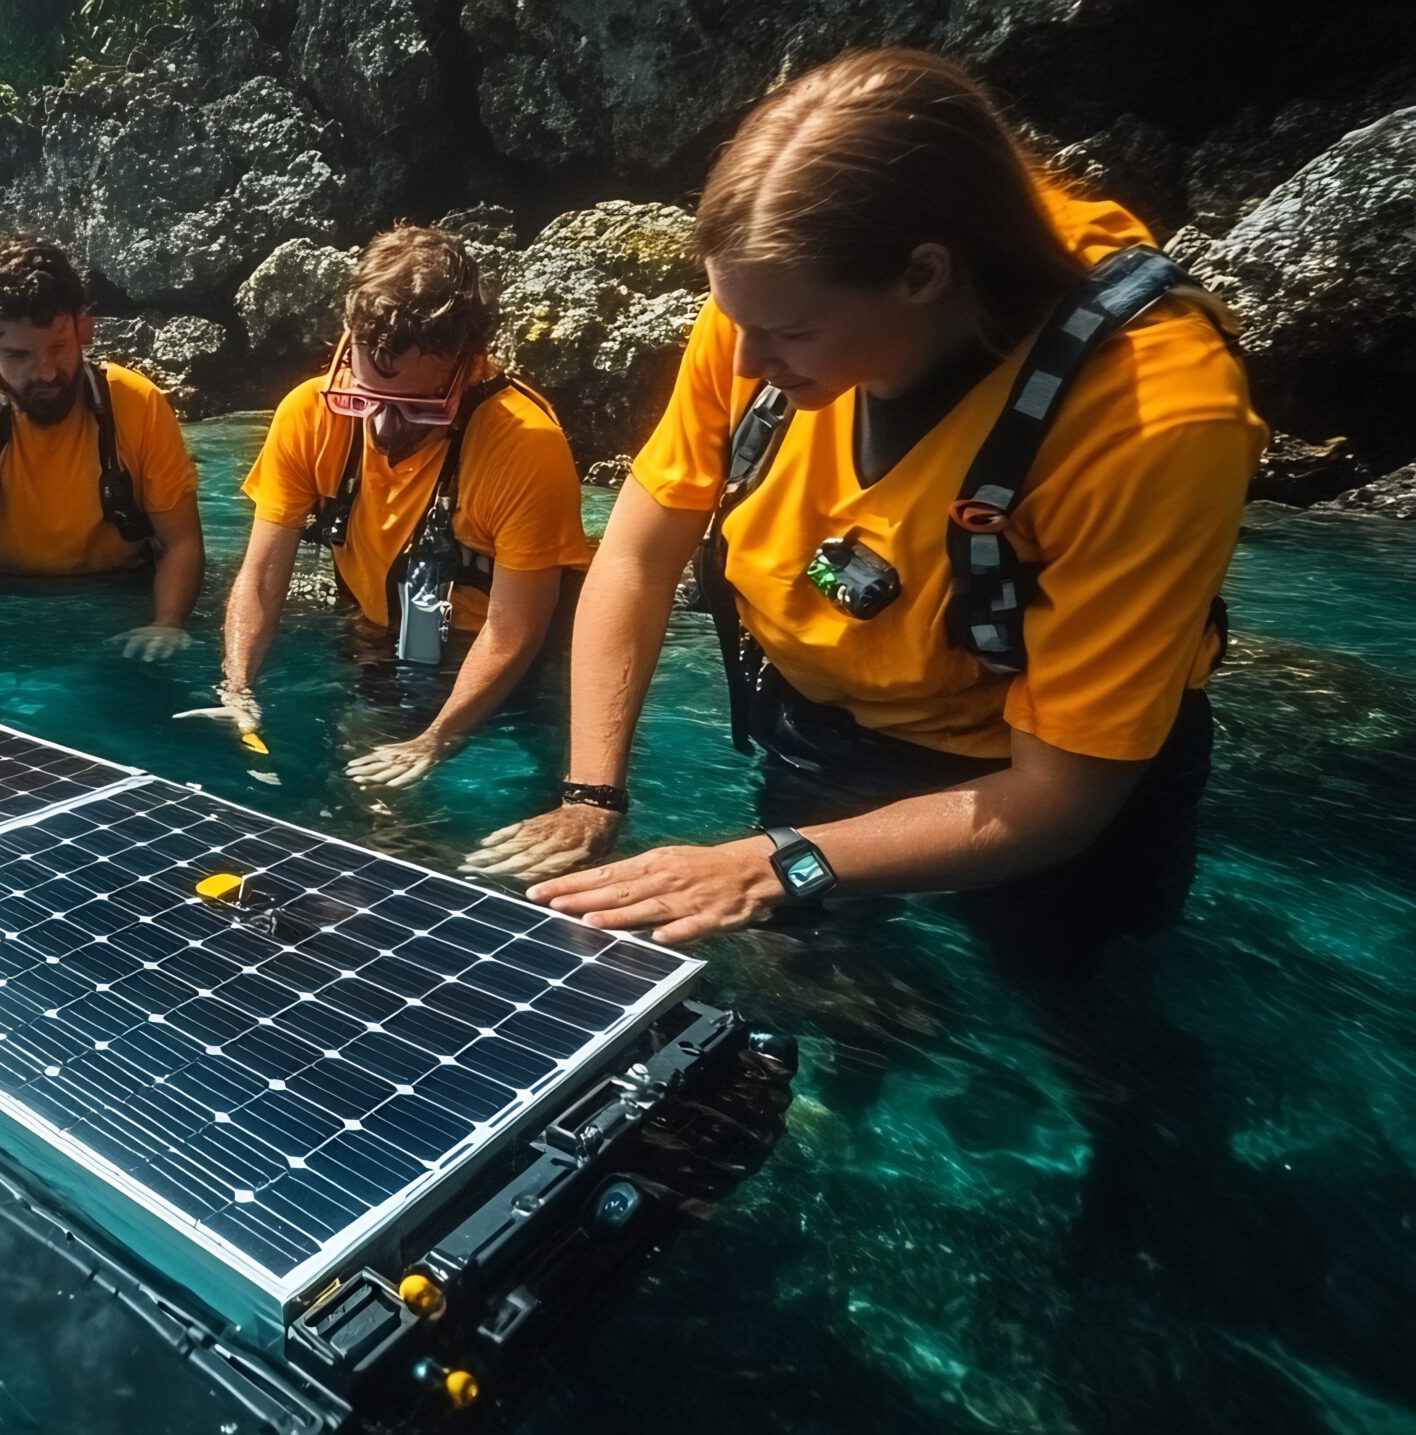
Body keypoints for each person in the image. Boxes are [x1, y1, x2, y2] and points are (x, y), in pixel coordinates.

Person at [465, 49, 1266, 952]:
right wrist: (592, 791)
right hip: (826, 731)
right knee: (819, 984)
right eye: (737, 321)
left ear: (923, 275)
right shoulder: (771, 290)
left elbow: (1062, 799)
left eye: (788, 334)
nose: (744, 366)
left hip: (1034, 781)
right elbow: (639, 556)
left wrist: (767, 863)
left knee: (1069, 1030)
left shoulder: (1154, 421)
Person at [186, 224, 591, 787]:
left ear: (471, 363)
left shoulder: (526, 445)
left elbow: (514, 633)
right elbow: (260, 576)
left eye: (417, 406)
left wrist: (433, 742)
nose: (381, 425)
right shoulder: (308, 413)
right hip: (383, 640)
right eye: (366, 397)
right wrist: (237, 686)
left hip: (495, 660)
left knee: (384, 806)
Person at [0, 232, 205, 671]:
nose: (46, 372)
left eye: (59, 346)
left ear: (83, 326)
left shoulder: (138, 402)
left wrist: (167, 621)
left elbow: (181, 541)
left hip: (117, 596)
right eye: (18, 355)